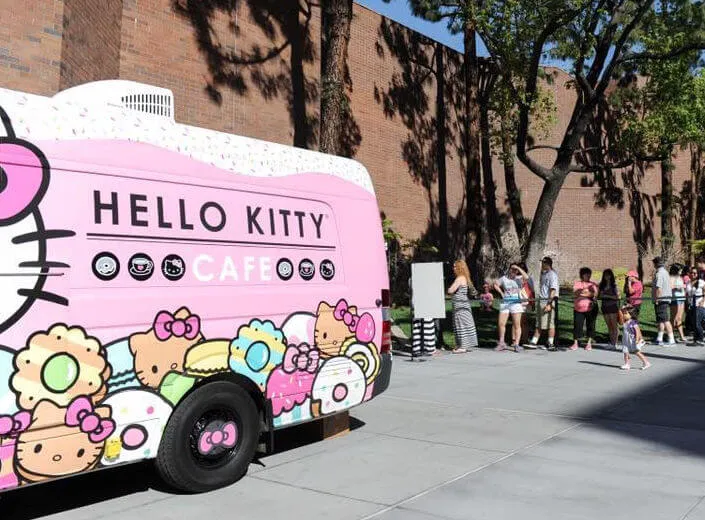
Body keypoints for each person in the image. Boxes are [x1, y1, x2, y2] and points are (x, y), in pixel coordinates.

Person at [494, 263, 528, 352]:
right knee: (501, 323)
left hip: (516, 303)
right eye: (512, 269)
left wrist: (518, 268)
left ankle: (516, 344)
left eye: (515, 270)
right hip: (505, 302)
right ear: (509, 269)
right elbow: (495, 284)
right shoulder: (504, 278)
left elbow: (527, 277)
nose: (513, 271)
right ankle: (501, 343)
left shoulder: (519, 279)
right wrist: (501, 293)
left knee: (517, 324)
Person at [447, 260, 478, 353]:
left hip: (460, 304)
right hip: (463, 303)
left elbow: (451, 290)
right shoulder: (465, 277)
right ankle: (461, 344)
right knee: (462, 323)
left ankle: (463, 346)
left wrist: (448, 288)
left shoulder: (460, 278)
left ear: (459, 268)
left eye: (455, 266)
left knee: (461, 324)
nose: (453, 268)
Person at [529, 256, 559, 351]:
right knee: (539, 322)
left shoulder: (552, 275)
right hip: (541, 301)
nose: (541, 265)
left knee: (550, 324)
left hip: (547, 301)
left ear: (547, 264)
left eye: (543, 263)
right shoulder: (544, 274)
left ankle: (550, 343)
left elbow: (553, 290)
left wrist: (549, 303)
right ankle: (534, 341)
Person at [570, 267, 598, 351]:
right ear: (582, 275)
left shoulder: (593, 284)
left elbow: (595, 295)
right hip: (578, 308)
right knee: (577, 325)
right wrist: (587, 293)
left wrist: (585, 293)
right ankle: (575, 343)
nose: (588, 276)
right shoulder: (577, 283)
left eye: (589, 274)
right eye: (586, 274)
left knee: (590, 325)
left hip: (590, 308)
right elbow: (576, 293)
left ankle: (589, 343)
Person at [618, 304, 651, 371]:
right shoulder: (625, 322)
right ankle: (627, 364)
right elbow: (620, 317)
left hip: (632, 339)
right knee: (625, 351)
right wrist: (622, 309)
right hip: (625, 339)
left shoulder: (632, 323)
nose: (624, 315)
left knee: (636, 351)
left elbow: (637, 331)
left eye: (626, 313)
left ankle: (646, 362)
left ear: (631, 314)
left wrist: (637, 340)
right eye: (624, 313)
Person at [652, 257, 675, 346]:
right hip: (664, 299)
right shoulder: (665, 272)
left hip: (661, 300)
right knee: (660, 320)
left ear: (656, 264)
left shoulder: (659, 274)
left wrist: (657, 299)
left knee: (665, 319)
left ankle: (671, 339)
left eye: (654, 264)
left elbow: (659, 287)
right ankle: (659, 338)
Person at [599, 269, 620, 349]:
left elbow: (617, 297)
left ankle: (615, 343)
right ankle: (611, 343)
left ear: (611, 276)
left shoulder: (614, 285)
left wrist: (607, 296)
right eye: (605, 275)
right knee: (609, 326)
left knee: (614, 325)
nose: (607, 277)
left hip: (612, 306)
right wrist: (603, 295)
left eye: (608, 275)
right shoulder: (602, 285)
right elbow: (600, 296)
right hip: (604, 307)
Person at [686, 269, 705, 346]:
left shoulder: (701, 282)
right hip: (691, 305)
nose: (693, 274)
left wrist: (702, 301)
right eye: (691, 273)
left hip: (699, 305)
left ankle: (701, 339)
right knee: (694, 323)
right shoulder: (688, 282)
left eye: (695, 273)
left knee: (697, 323)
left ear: (698, 274)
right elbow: (687, 294)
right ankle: (696, 339)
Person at [518, 261, 535, 345]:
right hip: (517, 301)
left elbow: (532, 290)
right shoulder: (516, 278)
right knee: (519, 321)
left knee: (523, 321)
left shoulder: (528, 278)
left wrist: (533, 302)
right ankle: (520, 338)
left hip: (525, 301)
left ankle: (524, 338)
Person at [670, 264, 687, 343]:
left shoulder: (680, 277)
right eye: (680, 269)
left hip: (681, 298)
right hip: (675, 299)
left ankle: (682, 336)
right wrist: (678, 287)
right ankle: (670, 335)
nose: (681, 271)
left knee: (679, 318)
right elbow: (670, 287)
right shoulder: (671, 277)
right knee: (674, 318)